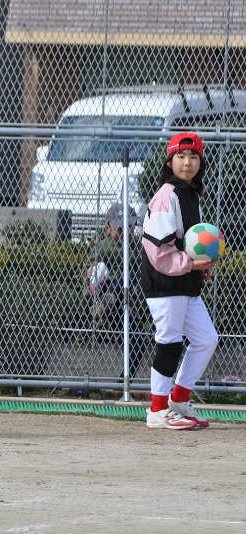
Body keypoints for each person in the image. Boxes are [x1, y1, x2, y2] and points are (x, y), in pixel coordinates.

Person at [140, 131, 218, 430]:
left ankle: (178, 400)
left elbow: (190, 242)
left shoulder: (191, 194)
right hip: (165, 284)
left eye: (194, 156)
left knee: (206, 339)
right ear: (169, 162)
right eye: (181, 156)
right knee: (169, 342)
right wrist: (190, 264)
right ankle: (157, 410)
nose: (188, 162)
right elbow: (158, 251)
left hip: (186, 283)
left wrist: (200, 266)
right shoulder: (166, 195)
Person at [88, 202, 147, 381]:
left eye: (129, 228)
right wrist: (91, 274)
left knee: (138, 345)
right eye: (119, 229)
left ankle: (123, 383)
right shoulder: (102, 247)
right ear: (107, 228)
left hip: (128, 300)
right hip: (108, 301)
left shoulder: (138, 248)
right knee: (123, 276)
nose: (125, 232)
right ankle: (104, 303)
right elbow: (90, 273)